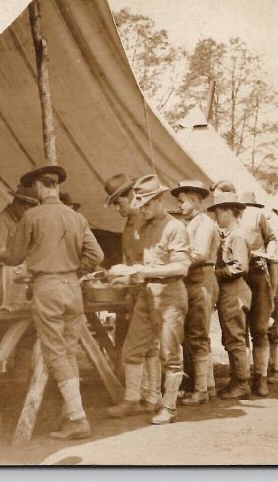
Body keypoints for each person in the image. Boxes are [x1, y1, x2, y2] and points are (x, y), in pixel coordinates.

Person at [1, 163, 104, 440]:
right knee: (68, 353)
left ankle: (78, 418)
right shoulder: (76, 217)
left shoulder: (32, 216)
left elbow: (14, 256)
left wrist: (0, 254)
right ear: (56, 186)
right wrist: (73, 271)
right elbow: (97, 254)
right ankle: (72, 412)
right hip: (72, 288)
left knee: (57, 354)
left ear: (37, 186)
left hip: (47, 288)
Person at [105, 174, 191, 425]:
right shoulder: (143, 228)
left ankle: (169, 407)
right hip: (146, 297)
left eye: (146, 204)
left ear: (158, 200)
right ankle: (133, 400)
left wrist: (139, 272)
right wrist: (127, 276)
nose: (142, 209)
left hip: (170, 298)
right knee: (131, 349)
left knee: (170, 355)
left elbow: (181, 267)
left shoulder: (175, 227)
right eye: (139, 204)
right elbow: (142, 265)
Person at [102, 173, 161, 411]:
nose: (118, 208)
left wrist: (128, 277)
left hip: (150, 290)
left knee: (143, 346)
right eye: (114, 204)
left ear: (132, 196)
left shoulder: (144, 222)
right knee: (145, 347)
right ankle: (149, 396)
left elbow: (149, 260)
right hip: (137, 291)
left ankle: (143, 396)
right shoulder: (129, 223)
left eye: (120, 202)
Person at [170, 181, 219, 407]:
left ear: (195, 200)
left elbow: (199, 253)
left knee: (198, 334)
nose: (180, 206)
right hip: (191, 281)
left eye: (182, 202)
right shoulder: (190, 223)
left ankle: (201, 391)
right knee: (193, 335)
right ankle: (207, 385)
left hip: (201, 279)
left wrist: (173, 260)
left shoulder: (205, 224)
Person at [209, 192, 253, 399]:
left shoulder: (237, 236)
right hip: (230, 291)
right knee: (232, 337)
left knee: (235, 339)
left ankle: (242, 384)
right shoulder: (230, 235)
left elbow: (240, 267)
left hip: (234, 291)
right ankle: (237, 380)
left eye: (217, 211)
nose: (215, 216)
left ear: (228, 210)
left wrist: (214, 274)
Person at [239, 191, 278, 396]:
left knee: (260, 329)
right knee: (239, 330)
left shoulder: (256, 215)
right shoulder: (223, 219)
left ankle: (261, 377)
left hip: (257, 274)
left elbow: (271, 239)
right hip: (237, 277)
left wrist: (269, 254)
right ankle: (242, 378)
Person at [0, 183, 39, 258]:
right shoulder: (0, 223)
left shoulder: (22, 221)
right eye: (27, 211)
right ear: (17, 204)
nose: (30, 216)